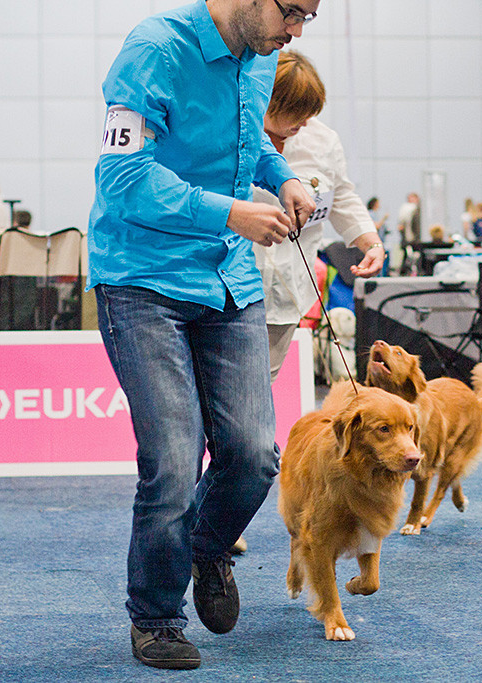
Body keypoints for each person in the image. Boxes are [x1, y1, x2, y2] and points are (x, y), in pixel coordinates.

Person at [87, 0, 318, 670]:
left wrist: (286, 176)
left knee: (252, 455)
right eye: (293, 11)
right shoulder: (154, 50)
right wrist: (231, 212)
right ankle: (157, 616)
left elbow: (245, 152)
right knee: (174, 457)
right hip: (140, 279)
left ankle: (206, 546)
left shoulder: (259, 57)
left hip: (227, 281)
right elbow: (124, 179)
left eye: (309, 17)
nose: (296, 32)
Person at [251, 50, 384, 381]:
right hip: (229, 287)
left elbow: (341, 198)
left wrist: (371, 242)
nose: (305, 122)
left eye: (309, 113)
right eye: (295, 113)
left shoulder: (323, 140)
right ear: (267, 104)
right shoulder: (233, 133)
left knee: (259, 387)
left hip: (287, 292)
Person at [396, 192, 420, 274]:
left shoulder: (417, 209)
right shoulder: (407, 208)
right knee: (407, 255)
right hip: (409, 237)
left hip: (415, 237)